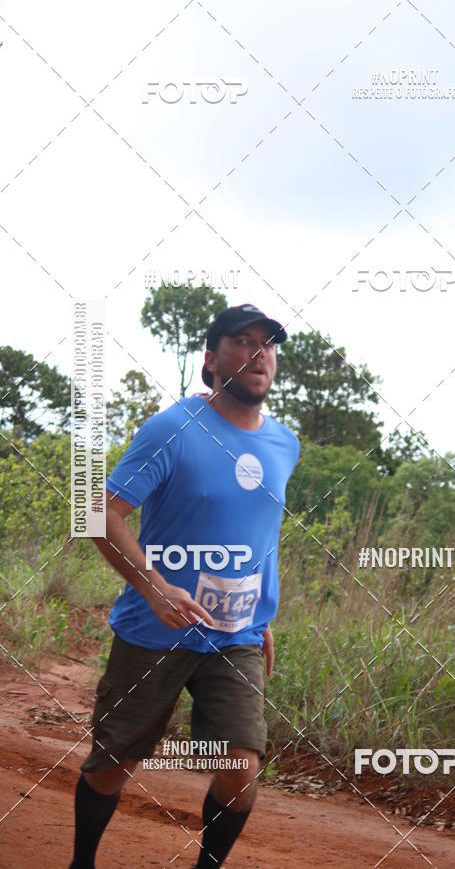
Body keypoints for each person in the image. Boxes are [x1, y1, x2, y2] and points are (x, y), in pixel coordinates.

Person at [70, 304, 300, 868]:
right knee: (113, 765)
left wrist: (262, 616)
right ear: (211, 359)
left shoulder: (284, 444)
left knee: (241, 767)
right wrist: (152, 586)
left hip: (235, 635)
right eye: (242, 341)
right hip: (155, 630)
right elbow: (100, 515)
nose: (259, 353)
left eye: (268, 343)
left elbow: (257, 534)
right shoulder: (172, 429)